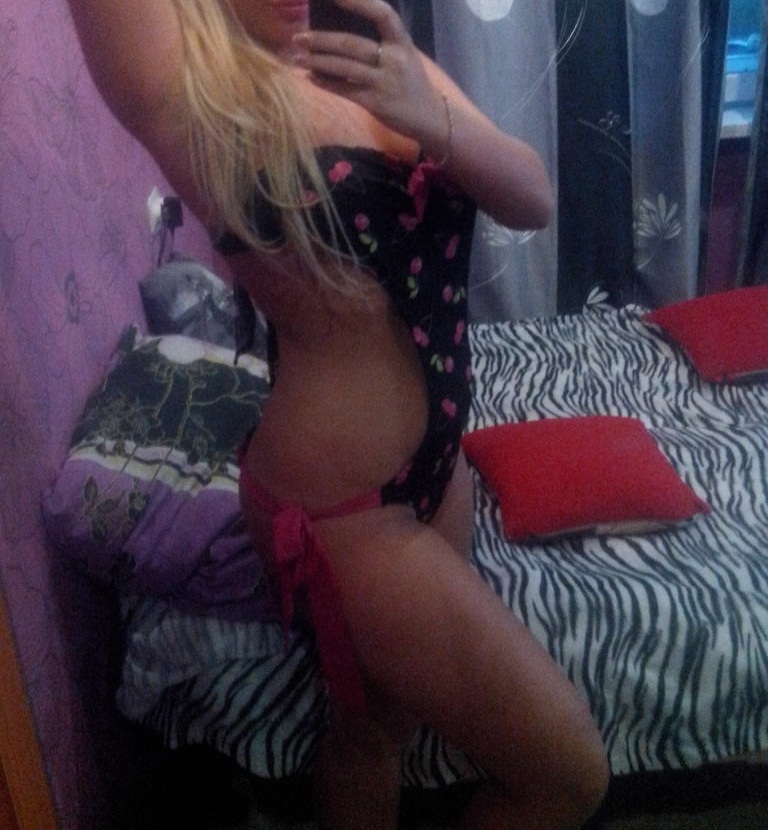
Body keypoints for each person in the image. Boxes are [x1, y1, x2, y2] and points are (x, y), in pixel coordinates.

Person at [66, 0, 609, 827]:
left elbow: (532, 198)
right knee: (567, 775)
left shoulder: (382, 63)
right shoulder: (202, 100)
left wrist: (433, 119)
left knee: (380, 723)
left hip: (440, 472)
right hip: (340, 506)